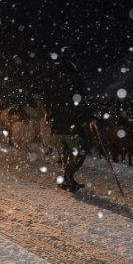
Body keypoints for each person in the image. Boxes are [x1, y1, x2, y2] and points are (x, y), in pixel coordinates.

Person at [41, 57, 93, 192]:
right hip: (70, 125)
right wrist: (90, 118)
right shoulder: (73, 80)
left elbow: (46, 101)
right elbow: (79, 101)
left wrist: (50, 116)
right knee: (79, 153)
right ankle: (68, 179)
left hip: (56, 126)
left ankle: (67, 180)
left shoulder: (51, 81)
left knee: (65, 155)